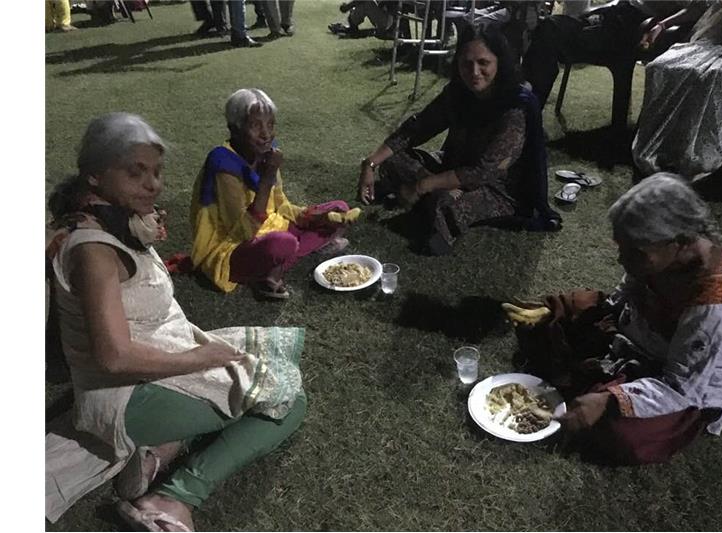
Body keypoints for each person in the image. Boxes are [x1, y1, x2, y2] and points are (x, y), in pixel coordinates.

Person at [45, 113, 307, 530]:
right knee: (287, 399)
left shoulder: (99, 221)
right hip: (126, 397)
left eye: (156, 172)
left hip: (149, 365)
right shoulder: (94, 251)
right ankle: (172, 498)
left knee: (263, 359)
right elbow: (114, 357)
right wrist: (202, 359)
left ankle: (156, 452)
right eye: (136, 173)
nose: (153, 184)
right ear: (94, 175)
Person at [505, 173, 722, 465]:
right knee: (553, 320)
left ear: (679, 242)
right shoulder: (658, 254)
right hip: (631, 336)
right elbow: (620, 300)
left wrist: (609, 400)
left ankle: (595, 385)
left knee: (623, 435)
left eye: (634, 252)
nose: (622, 260)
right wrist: (568, 311)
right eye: (621, 247)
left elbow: (681, 387)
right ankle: (590, 377)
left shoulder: (714, 299)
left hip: (671, 378)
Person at [357, 24, 561, 256]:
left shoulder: (515, 106)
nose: (474, 72)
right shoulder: (458, 93)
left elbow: (483, 172)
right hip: (452, 168)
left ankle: (426, 202)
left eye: (483, 63)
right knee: (392, 159)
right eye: (466, 63)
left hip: (495, 188)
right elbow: (418, 127)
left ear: (499, 62)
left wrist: (422, 185)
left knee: (447, 204)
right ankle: (427, 197)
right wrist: (370, 163)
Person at [191, 88, 359, 299]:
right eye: (256, 126)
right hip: (231, 247)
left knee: (339, 209)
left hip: (274, 227)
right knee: (282, 243)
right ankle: (271, 268)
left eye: (270, 125)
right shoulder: (223, 165)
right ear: (234, 129)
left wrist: (317, 216)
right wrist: (267, 178)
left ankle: (276, 264)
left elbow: (281, 206)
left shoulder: (265, 152)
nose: (266, 134)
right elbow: (242, 233)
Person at [632, 0, 722, 181]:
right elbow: (696, 8)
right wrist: (662, 25)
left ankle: (699, 156)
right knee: (661, 66)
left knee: (715, 75)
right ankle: (666, 147)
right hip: (710, 44)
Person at [521, 0, 706, 110]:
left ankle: (527, 108)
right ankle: (527, 107)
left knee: (549, 31)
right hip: (612, 13)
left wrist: (662, 25)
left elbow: (696, 8)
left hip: (625, 27)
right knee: (547, 30)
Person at [328, 0, 396, 38]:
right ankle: (351, 25)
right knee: (364, 3)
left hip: (389, 23)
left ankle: (352, 26)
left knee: (367, 2)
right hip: (389, 21)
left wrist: (347, 7)